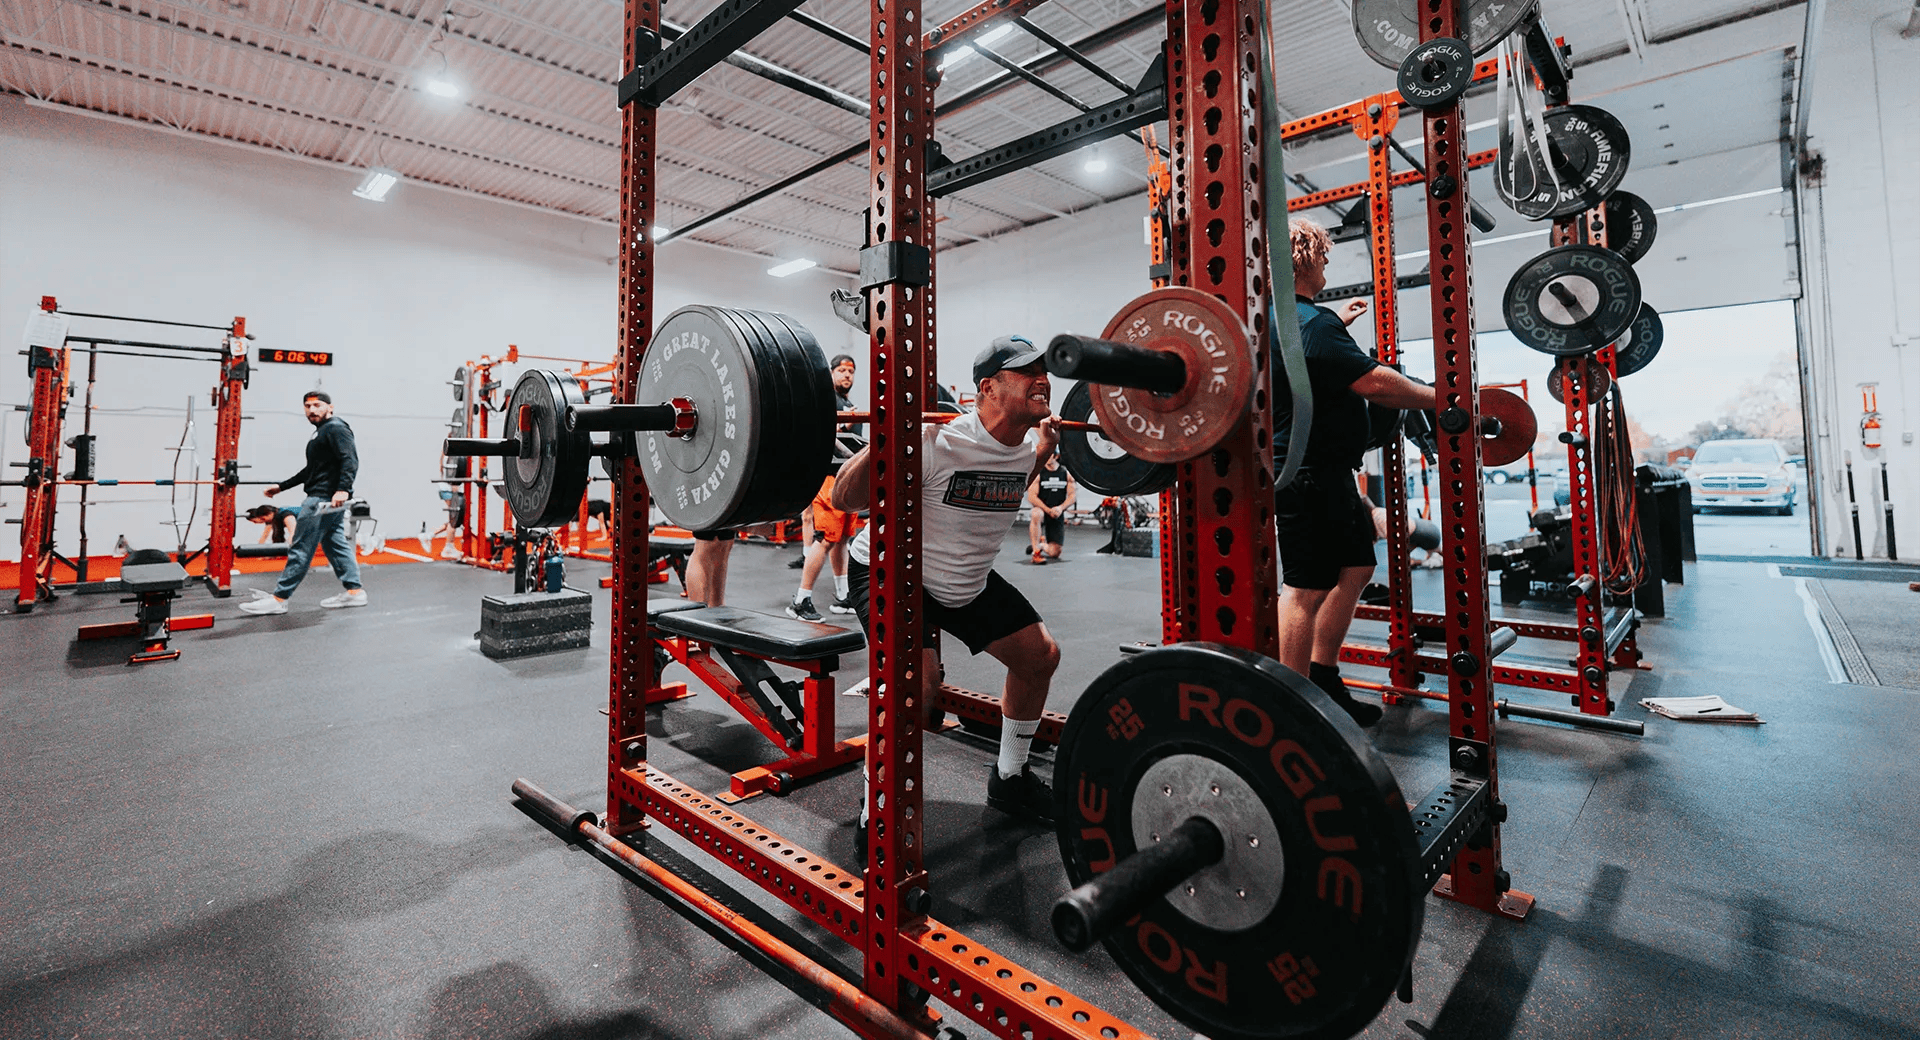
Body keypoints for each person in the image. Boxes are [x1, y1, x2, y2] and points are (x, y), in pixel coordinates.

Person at [834, 335, 1061, 825]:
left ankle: (1010, 778)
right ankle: (875, 812)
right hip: (890, 570)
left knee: (1040, 657)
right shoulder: (936, 442)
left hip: (963, 582)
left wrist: (1042, 452)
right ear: (988, 388)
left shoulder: (1025, 449)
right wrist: (891, 437)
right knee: (918, 689)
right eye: (1027, 370)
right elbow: (844, 499)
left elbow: (1006, 485)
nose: (1043, 377)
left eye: (1045, 369)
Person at [1274, 217, 1435, 725]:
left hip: (1329, 471)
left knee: (1358, 567)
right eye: (1322, 256)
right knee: (1304, 588)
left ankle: (1322, 676)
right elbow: (1376, 384)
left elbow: (1315, 354)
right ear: (1304, 259)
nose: (1326, 264)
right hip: (1303, 473)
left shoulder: (1298, 321)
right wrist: (1443, 396)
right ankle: (1292, 706)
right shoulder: (1313, 324)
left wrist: (1335, 321)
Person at [241, 390, 366, 614]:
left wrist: (343, 490)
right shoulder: (321, 433)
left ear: (330, 407)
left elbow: (350, 459)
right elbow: (311, 470)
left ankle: (280, 598)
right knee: (335, 544)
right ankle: (354, 592)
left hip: (323, 499)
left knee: (301, 547)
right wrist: (281, 487)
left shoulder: (336, 428)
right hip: (324, 497)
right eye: (308, 406)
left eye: (317, 405)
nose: (312, 410)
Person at [788, 355, 862, 618]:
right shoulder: (825, 399)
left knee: (842, 539)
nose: (847, 375)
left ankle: (843, 597)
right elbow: (822, 434)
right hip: (829, 478)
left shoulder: (849, 403)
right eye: (841, 370)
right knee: (825, 540)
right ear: (830, 373)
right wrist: (845, 422)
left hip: (847, 477)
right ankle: (801, 600)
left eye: (851, 371)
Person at [1026, 451, 1076, 564]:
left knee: (1055, 553)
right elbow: (1032, 497)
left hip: (1057, 513)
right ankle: (1036, 553)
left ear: (1056, 456)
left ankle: (1041, 544)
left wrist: (1060, 508)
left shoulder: (1066, 473)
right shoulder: (1038, 473)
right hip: (1043, 510)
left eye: (1049, 455)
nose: (1046, 458)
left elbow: (1072, 497)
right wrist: (1047, 510)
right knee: (1035, 513)